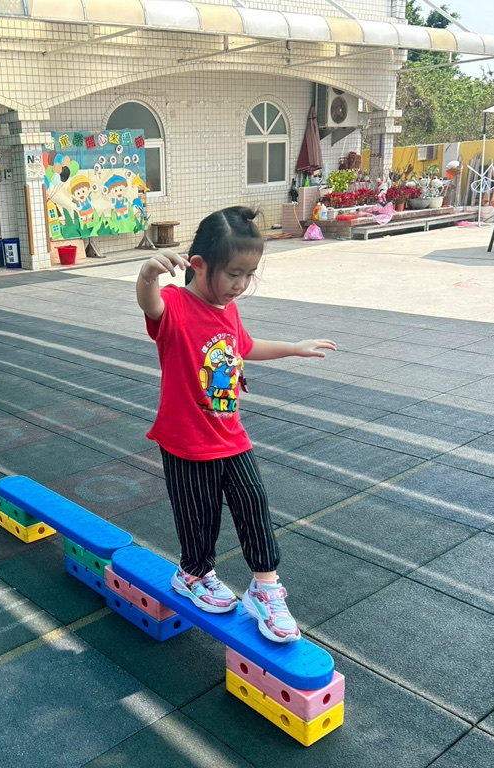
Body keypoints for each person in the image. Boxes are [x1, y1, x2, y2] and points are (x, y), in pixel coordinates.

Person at [135, 206, 335, 644]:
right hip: (186, 440)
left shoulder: (227, 309)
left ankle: (265, 587)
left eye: (249, 275)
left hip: (230, 434)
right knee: (200, 515)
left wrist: (293, 347)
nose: (241, 285)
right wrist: (148, 275)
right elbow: (150, 304)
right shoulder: (175, 306)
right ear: (199, 265)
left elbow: (246, 347)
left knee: (253, 502)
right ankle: (193, 574)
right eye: (233, 274)